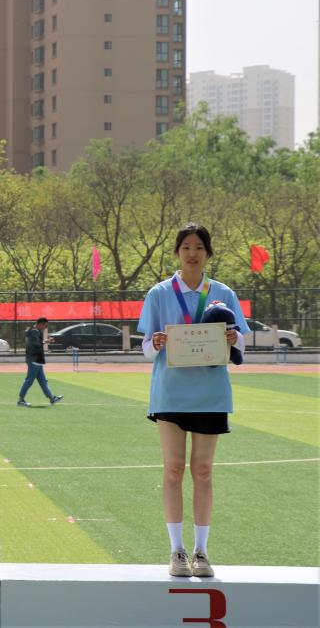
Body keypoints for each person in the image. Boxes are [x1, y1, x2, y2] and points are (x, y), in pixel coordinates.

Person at [137, 223, 246, 579]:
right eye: (186, 247)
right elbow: (145, 349)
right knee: (173, 469)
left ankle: (201, 551)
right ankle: (176, 550)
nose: (192, 253)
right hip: (170, 392)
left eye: (199, 247)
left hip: (211, 394)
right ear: (177, 252)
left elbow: (241, 343)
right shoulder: (159, 293)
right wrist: (155, 343)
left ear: (208, 252)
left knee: (203, 471)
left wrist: (233, 339)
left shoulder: (224, 293)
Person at [17, 317, 63, 407]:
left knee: (43, 381)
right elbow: (36, 344)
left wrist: (45, 341)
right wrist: (45, 342)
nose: (45, 327)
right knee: (29, 381)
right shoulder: (35, 332)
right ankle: (20, 400)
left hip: (37, 360)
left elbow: (36, 343)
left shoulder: (34, 331)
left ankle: (52, 398)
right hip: (34, 360)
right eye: (45, 325)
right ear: (40, 324)